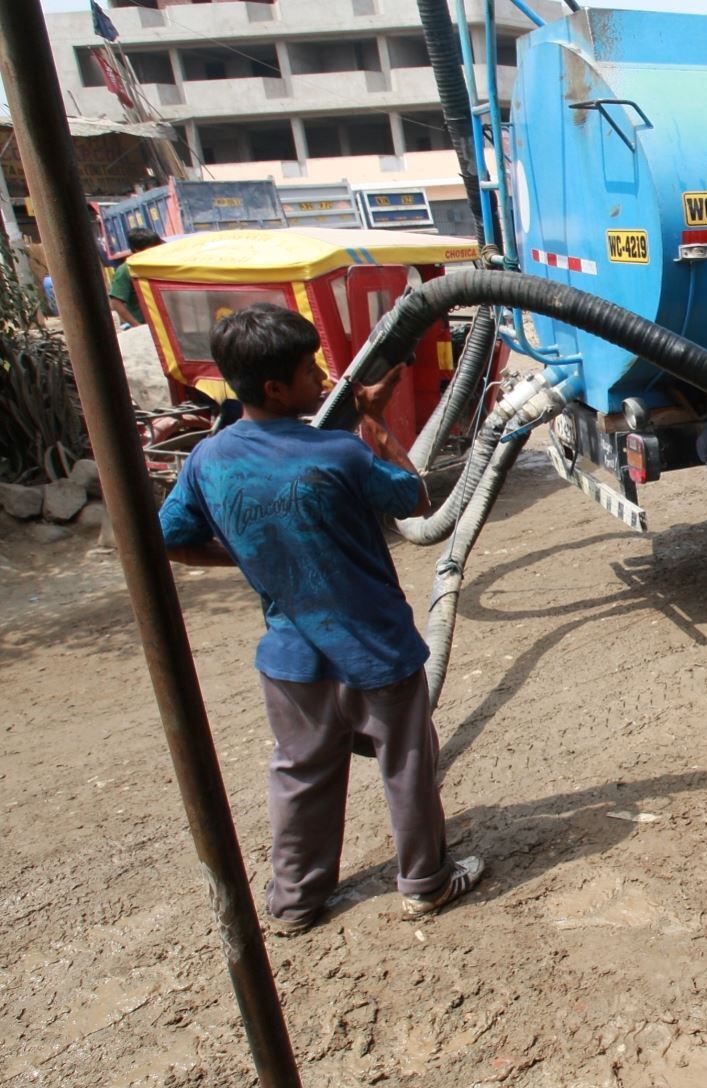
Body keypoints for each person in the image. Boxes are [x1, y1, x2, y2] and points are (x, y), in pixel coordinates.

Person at [159, 304, 483, 936]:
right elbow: (413, 499)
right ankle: (425, 882)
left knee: (301, 775)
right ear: (277, 388)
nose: (321, 377)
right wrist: (373, 418)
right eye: (309, 370)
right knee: (407, 765)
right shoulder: (339, 453)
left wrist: (258, 557)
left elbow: (167, 537)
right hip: (378, 652)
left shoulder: (208, 460)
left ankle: (295, 903)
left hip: (292, 662)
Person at [107, 228, 162, 328]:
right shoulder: (126, 270)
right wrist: (137, 326)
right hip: (147, 327)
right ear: (137, 250)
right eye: (151, 249)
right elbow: (116, 302)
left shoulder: (161, 263)